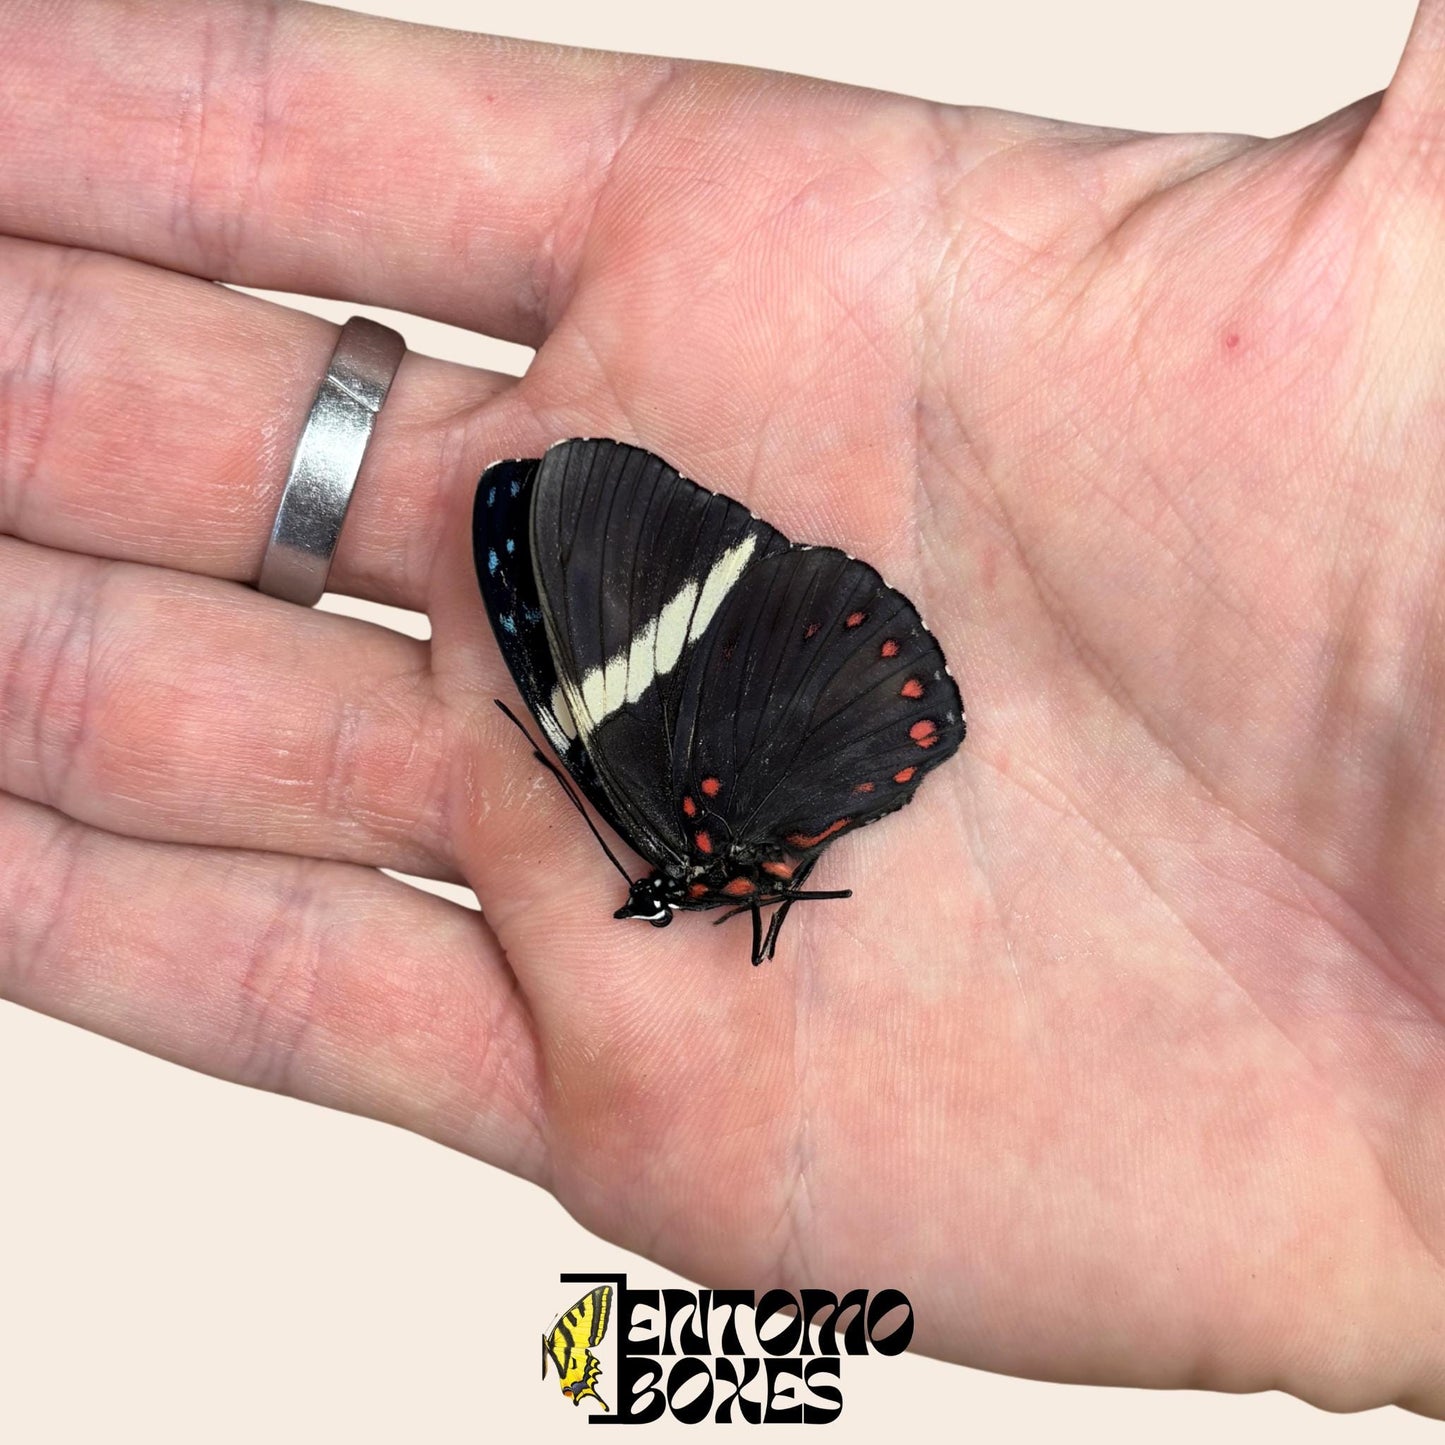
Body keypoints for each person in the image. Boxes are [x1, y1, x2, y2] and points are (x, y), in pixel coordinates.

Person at [1, 0, 1441, 1417]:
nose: (653, 900)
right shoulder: (688, 836)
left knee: (616, 756)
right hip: (834, 709)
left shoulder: (667, 810)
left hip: (819, 687)